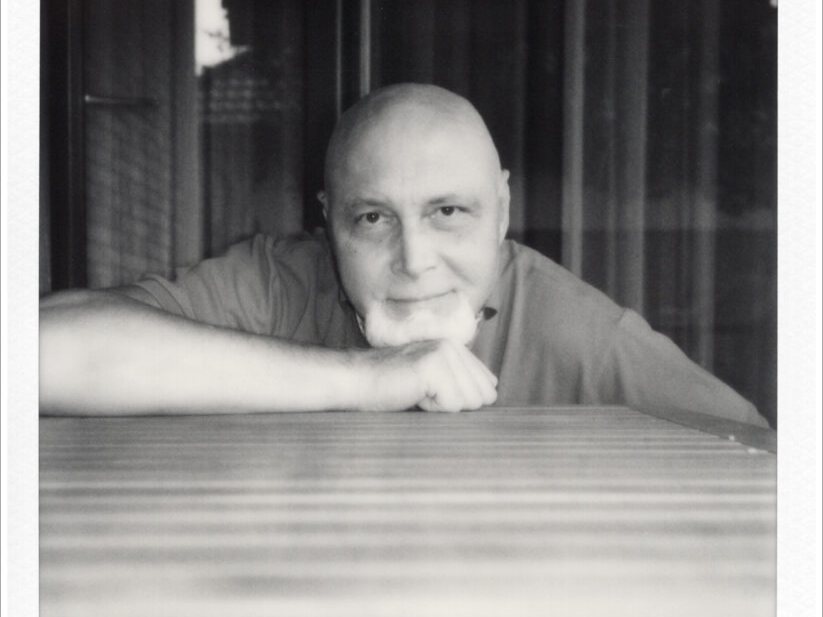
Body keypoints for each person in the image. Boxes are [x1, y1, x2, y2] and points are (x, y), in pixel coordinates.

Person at [40, 83, 768, 426]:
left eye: (447, 212)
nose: (414, 260)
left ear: (502, 209)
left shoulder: (583, 337)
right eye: (373, 218)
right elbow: (38, 353)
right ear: (328, 223)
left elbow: (759, 465)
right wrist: (365, 378)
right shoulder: (275, 283)